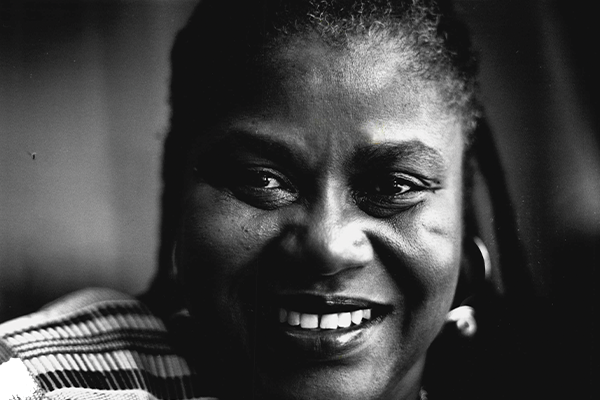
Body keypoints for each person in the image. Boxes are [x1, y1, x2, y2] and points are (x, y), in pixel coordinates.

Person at [0, 0, 547, 399]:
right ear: (181, 208)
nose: (329, 245)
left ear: (463, 221)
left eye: (393, 187)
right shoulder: (38, 384)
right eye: (262, 179)